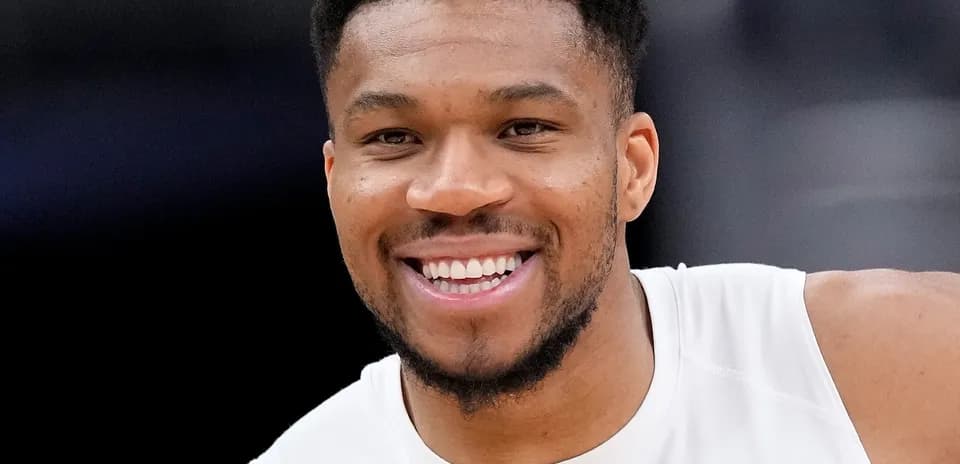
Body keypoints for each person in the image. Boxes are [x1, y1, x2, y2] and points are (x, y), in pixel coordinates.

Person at [252, 1, 960, 462]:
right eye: (395, 136)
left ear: (634, 167)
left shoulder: (875, 372)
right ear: (333, 180)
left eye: (524, 128)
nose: (456, 191)